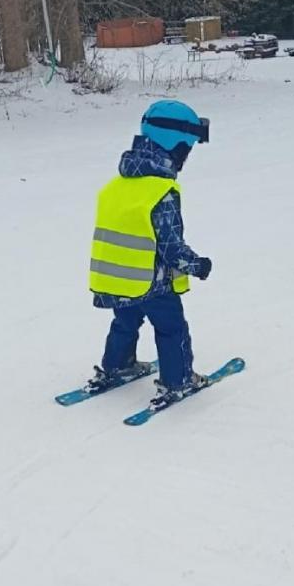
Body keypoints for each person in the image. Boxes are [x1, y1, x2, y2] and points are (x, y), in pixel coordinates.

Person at [87, 100, 213, 409]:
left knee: (125, 322)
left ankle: (117, 365)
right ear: (175, 146)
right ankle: (178, 380)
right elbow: (170, 247)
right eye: (187, 149)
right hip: (152, 282)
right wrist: (197, 265)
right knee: (171, 328)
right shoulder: (160, 192)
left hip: (117, 279)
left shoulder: (115, 186)